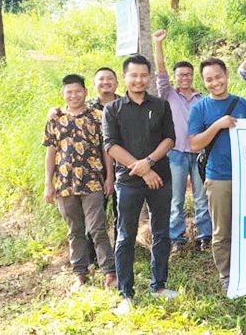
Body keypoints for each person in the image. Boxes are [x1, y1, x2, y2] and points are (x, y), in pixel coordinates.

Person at [103, 55, 177, 314]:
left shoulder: (160, 105)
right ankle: (126, 294)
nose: (139, 80)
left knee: (161, 232)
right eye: (133, 75)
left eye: (143, 75)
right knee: (125, 235)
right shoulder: (113, 109)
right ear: (125, 77)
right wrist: (144, 170)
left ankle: (158, 286)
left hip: (161, 178)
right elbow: (111, 145)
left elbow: (170, 139)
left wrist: (149, 161)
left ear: (148, 77)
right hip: (128, 183)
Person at [43, 74, 116, 291]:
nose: (74, 95)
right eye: (69, 92)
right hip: (64, 184)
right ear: (63, 94)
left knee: (97, 228)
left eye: (78, 91)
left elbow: (106, 150)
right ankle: (80, 273)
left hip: (93, 181)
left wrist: (109, 177)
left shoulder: (98, 116)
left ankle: (109, 272)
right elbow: (51, 152)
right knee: (74, 230)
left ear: (85, 92)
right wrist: (48, 183)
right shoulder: (55, 119)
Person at [188, 58, 246, 293]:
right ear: (204, 82)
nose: (215, 82)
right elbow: (194, 143)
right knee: (222, 229)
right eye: (209, 79)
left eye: (218, 76)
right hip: (219, 178)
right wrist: (217, 125)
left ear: (226, 74)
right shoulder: (200, 108)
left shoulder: (243, 104)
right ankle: (226, 275)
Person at [152, 29, 210, 254]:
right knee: (175, 198)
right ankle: (176, 237)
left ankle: (204, 236)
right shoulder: (168, 94)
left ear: (193, 76)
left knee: (201, 197)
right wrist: (158, 44)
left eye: (188, 74)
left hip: (198, 153)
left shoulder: (202, 99)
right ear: (175, 77)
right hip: (175, 153)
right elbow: (160, 72)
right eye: (181, 75)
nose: (184, 78)